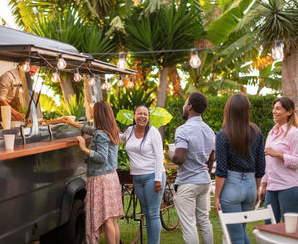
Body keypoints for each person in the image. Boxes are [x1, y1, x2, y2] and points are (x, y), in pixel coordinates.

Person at [60, 101, 124, 244]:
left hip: (101, 179)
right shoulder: (112, 130)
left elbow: (101, 157)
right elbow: (91, 130)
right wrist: (73, 124)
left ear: (98, 115)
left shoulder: (101, 134)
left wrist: (84, 148)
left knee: (107, 221)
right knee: (113, 220)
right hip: (111, 178)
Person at [214, 94, 265, 244]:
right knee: (240, 232)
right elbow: (260, 166)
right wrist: (256, 188)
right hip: (250, 186)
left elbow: (221, 170)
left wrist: (216, 197)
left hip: (231, 187)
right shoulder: (257, 132)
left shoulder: (223, 135)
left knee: (236, 236)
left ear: (229, 110)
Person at [168, 92, 215, 244]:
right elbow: (211, 160)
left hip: (187, 183)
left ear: (189, 107)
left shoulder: (183, 130)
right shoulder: (209, 130)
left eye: (185, 103)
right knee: (204, 221)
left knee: (188, 224)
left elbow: (180, 158)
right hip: (204, 181)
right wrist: (202, 173)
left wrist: (170, 155)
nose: (183, 105)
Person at [120, 105, 166, 244]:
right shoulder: (129, 131)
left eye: (145, 114)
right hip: (137, 178)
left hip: (152, 177)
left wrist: (158, 179)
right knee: (146, 213)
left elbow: (159, 156)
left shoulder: (153, 132)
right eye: (140, 113)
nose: (142, 116)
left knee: (153, 213)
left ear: (148, 117)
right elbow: (119, 138)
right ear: (134, 116)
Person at [260, 96, 298, 223]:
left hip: (290, 187)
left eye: (278, 108)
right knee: (269, 225)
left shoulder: (294, 133)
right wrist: (264, 184)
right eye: (274, 108)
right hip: (272, 187)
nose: (274, 111)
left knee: (288, 228)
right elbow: (268, 162)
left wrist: (279, 155)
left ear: (289, 112)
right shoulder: (272, 132)